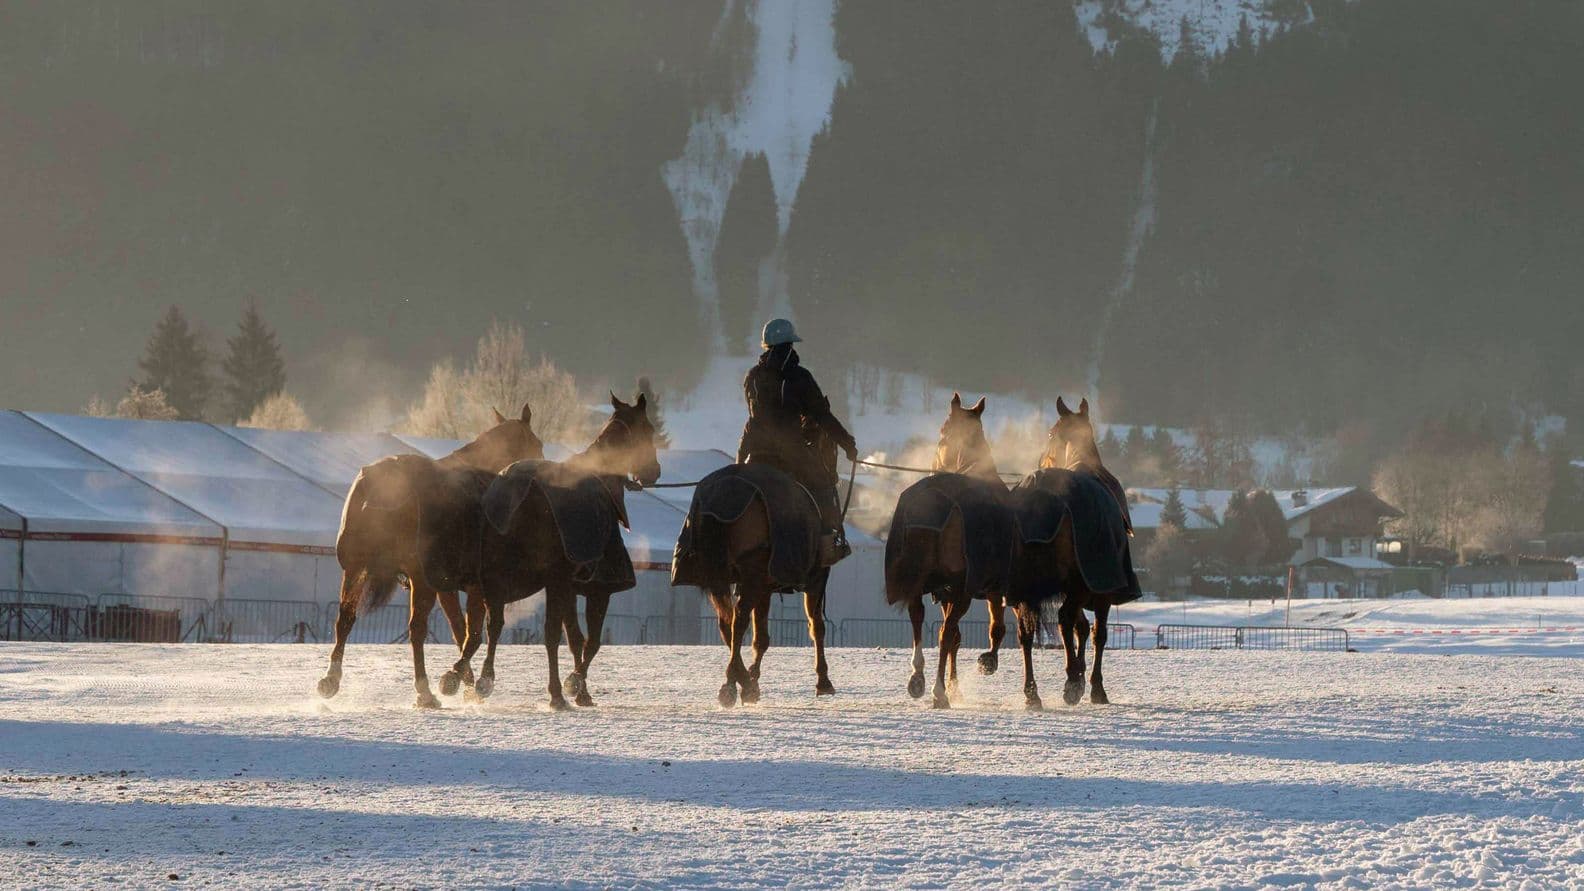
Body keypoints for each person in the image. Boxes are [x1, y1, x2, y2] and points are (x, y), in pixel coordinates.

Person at [737, 318, 859, 564]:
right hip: (790, 452)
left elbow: (755, 416)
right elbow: (821, 416)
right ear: (791, 345)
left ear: (767, 346)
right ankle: (827, 544)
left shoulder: (752, 376)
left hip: (755, 450)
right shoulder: (800, 377)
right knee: (824, 483)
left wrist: (741, 459)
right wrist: (847, 444)